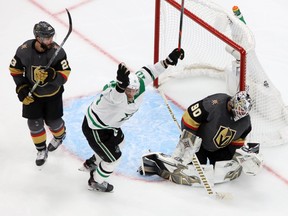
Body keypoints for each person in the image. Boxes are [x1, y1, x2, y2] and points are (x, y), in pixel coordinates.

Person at [80, 48, 185, 192]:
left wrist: (168, 61)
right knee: (113, 159)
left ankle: (94, 161)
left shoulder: (139, 84)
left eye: (133, 91)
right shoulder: (114, 95)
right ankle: (96, 181)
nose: (131, 94)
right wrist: (120, 86)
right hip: (96, 129)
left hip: (111, 126)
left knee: (120, 143)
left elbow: (152, 71)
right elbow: (116, 96)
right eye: (127, 90)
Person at [139, 91, 263, 186]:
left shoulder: (245, 122)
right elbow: (189, 117)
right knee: (194, 169)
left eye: (244, 112)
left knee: (224, 168)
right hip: (199, 145)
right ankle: (155, 163)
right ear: (233, 103)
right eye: (240, 110)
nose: (241, 114)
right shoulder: (215, 103)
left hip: (220, 148)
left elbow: (238, 140)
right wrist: (189, 140)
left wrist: (237, 156)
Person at [9, 21, 71, 166]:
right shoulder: (23, 50)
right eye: (47, 38)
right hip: (33, 95)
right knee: (34, 124)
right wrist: (22, 88)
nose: (51, 40)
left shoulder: (58, 52)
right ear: (38, 37)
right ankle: (41, 150)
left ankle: (60, 136)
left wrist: (52, 75)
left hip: (52, 95)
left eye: (52, 37)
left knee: (54, 123)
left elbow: (65, 74)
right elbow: (15, 70)